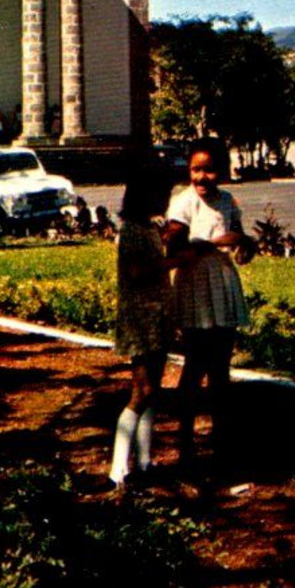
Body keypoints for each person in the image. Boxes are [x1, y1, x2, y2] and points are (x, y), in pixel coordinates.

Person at [164, 137, 254, 473]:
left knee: (220, 369)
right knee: (194, 367)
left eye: (209, 170)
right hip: (194, 287)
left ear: (222, 171)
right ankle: (185, 445)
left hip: (223, 287)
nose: (202, 178)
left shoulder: (228, 201)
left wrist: (244, 244)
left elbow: (240, 246)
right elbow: (174, 252)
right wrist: (215, 243)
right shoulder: (183, 203)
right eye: (195, 170)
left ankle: (221, 444)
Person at [106, 164, 180, 491]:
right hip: (139, 318)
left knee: (154, 392)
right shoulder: (133, 230)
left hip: (156, 315)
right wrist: (178, 260)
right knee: (142, 391)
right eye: (160, 193)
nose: (165, 200)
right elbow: (138, 271)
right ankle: (117, 469)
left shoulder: (149, 228)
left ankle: (145, 460)